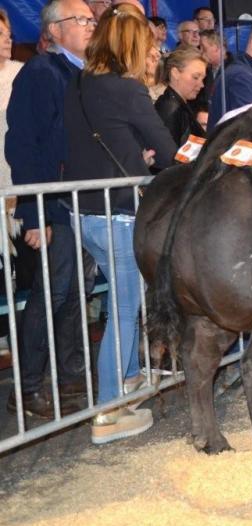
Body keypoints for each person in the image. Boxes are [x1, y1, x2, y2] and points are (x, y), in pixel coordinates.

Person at [63, 3, 176, 442]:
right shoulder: (126, 90)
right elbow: (166, 150)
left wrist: (135, 158)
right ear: (132, 46)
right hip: (118, 213)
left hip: (82, 211)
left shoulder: (79, 83)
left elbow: (96, 142)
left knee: (119, 303)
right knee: (126, 309)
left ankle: (127, 381)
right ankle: (108, 413)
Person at [5, 0, 95, 419]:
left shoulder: (83, 74)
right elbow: (22, 145)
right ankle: (27, 387)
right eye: (82, 20)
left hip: (80, 202)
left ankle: (71, 375)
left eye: (92, 20)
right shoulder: (40, 73)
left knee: (77, 292)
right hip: (53, 204)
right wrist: (36, 211)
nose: (91, 25)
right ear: (55, 29)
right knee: (50, 295)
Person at [155, 47, 208, 145]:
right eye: (195, 77)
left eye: (202, 79)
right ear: (175, 73)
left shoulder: (179, 106)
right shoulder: (170, 109)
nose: (201, 85)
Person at [0, 8, 24, 190]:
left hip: (13, 168)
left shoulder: (22, 73)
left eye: (9, 34)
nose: (8, 39)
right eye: (0, 34)